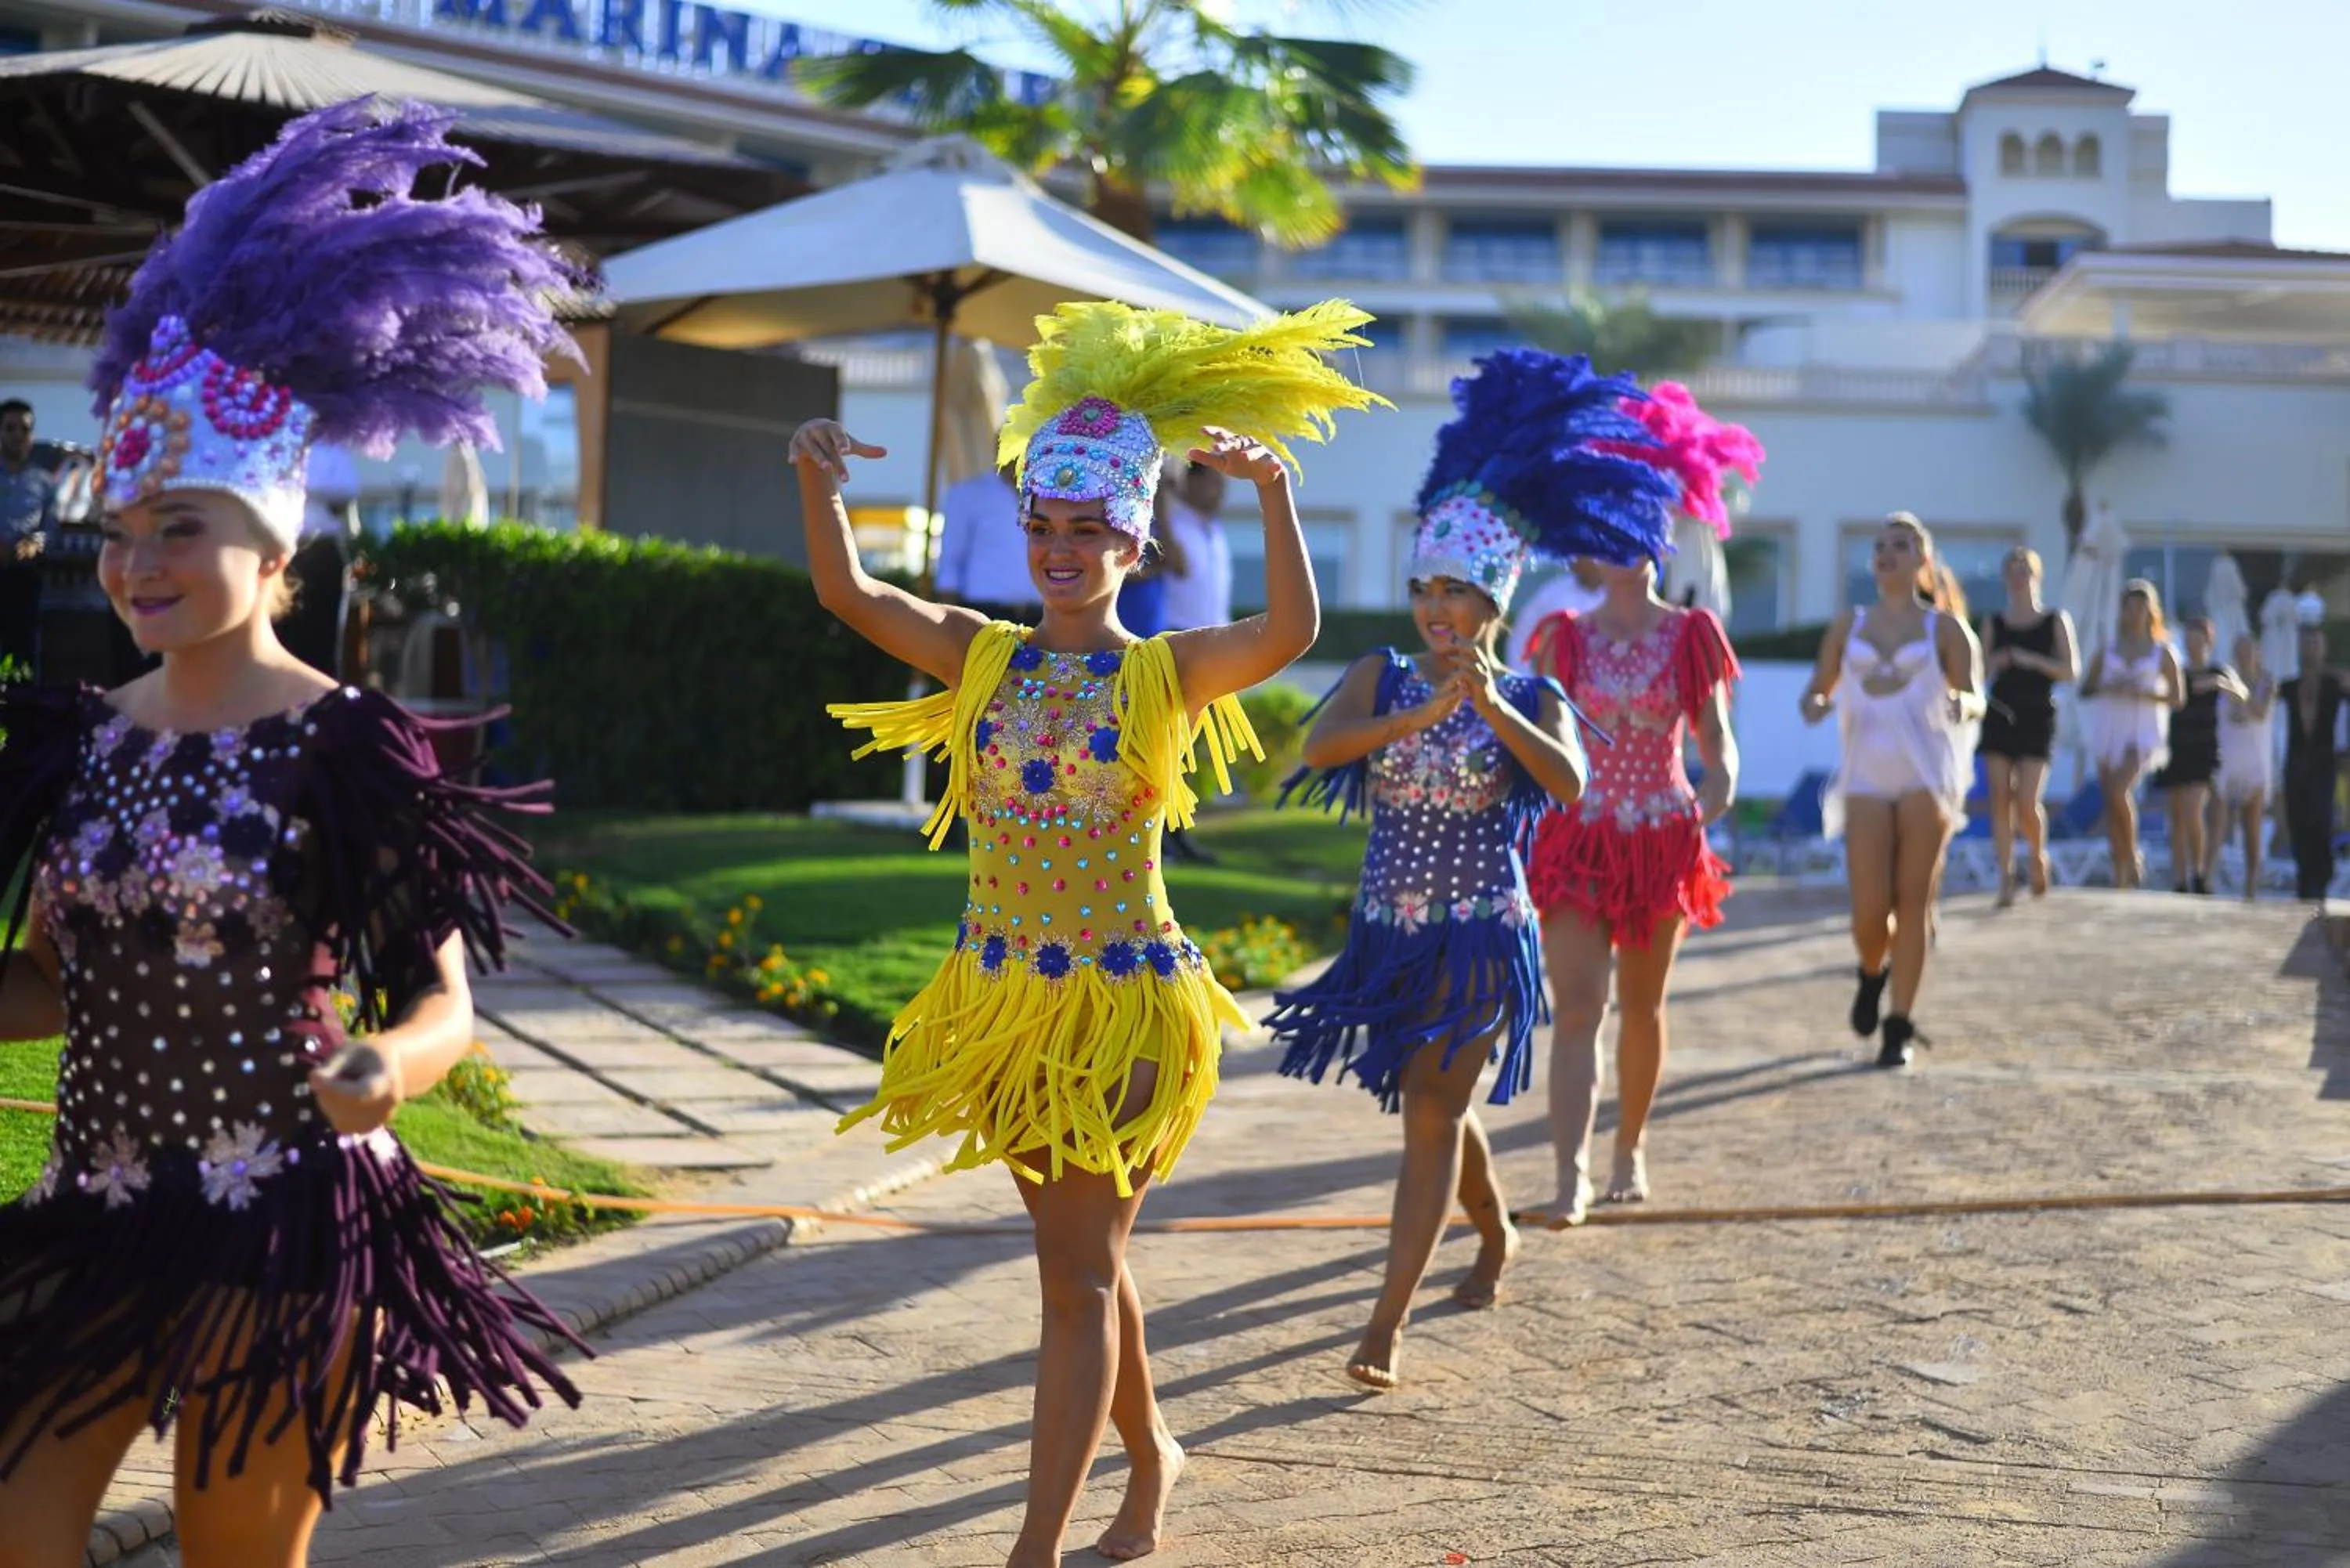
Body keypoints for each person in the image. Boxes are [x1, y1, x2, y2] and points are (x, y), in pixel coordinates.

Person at [0, 101, 584, 1567]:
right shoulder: (82, 735)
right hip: (99, 1204)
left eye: (181, 529)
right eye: (122, 530)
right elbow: (50, 989)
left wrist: (388, 1062)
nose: (139, 564)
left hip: (286, 1220)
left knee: (233, 1553)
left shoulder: (346, 744)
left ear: (276, 550)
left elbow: (440, 996)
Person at [800, 298, 1381, 1567]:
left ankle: (1034, 1551)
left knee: (1073, 1277)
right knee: (1085, 1262)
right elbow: (847, 589)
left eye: (1092, 531)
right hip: (1001, 1004)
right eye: (1046, 528)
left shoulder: (1163, 674)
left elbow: (1290, 635)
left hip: (1124, 1009)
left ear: (1136, 539)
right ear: (1027, 533)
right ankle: (1153, 1454)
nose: (1063, 550)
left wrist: (1275, 492)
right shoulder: (981, 656)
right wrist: (815, 472)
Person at [1267, 349, 1668, 1389]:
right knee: (1438, 1106)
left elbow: (1573, 783)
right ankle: (1494, 1236)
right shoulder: (1380, 672)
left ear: (1493, 601)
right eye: (1425, 589)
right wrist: (1420, 713)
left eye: (1458, 592)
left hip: (1484, 934)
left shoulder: (1529, 692)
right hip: (1391, 939)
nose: (1437, 609)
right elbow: (1319, 751)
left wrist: (1486, 708)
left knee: (1436, 1114)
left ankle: (1382, 1327)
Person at [1524, 379, 1759, 1220]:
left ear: (1662, 536)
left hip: (1662, 833)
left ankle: (1629, 1149)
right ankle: (1568, 1176)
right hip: (1580, 836)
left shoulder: (1693, 634)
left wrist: (1720, 775)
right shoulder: (1565, 639)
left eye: (1640, 522)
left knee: (1643, 1007)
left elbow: (1714, 730)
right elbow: (1548, 734)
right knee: (1579, 1007)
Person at [1800, 513, 1984, 1068]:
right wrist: (1816, 706)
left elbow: (1974, 695)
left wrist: (1963, 704)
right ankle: (1870, 972)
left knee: (1913, 902)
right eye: (1879, 546)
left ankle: (1899, 1025)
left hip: (1926, 780)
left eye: (1900, 545)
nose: (1886, 553)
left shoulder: (1946, 630)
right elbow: (1816, 691)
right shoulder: (1847, 626)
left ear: (1922, 560)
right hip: (1864, 779)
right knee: (1869, 908)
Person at [1976, 547, 2077, 905]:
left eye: (2025, 571)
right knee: (1999, 798)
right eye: (2013, 571)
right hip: (2001, 712)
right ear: (2005, 578)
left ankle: (2036, 854)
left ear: (2037, 576)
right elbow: (1978, 674)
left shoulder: (2055, 620)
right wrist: (1998, 660)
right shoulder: (1994, 623)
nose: (2019, 577)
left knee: (2026, 800)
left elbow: (2070, 670)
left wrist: (2031, 660)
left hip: (2038, 715)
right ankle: (2005, 876)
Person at [2080, 580, 2184, 891]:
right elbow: (2085, 688)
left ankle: (2132, 854)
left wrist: (2146, 693)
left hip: (2143, 730)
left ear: (2151, 612)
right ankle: (2120, 867)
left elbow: (2178, 698)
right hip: (2110, 727)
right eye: (2130, 606)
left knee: (2118, 789)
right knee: (2111, 799)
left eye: (2142, 607)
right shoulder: (2108, 648)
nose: (2136, 612)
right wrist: (2108, 687)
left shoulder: (2162, 652)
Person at [2156, 616, 2243, 894]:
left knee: (2194, 811)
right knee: (2177, 816)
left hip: (2204, 749)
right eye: (2190, 636)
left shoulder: (2217, 671)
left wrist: (2219, 683)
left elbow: (2242, 694)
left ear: (2209, 640)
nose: (2194, 642)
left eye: (2199, 637)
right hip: (2175, 747)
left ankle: (2199, 871)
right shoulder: (2178, 671)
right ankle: (2180, 878)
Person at [2280, 620, 2348, 902]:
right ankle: (2305, 881)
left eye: (2316, 644)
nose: (2311, 649)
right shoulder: (2290, 686)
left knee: (2320, 818)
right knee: (2298, 820)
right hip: (2296, 760)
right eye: (2307, 643)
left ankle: (2319, 881)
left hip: (2323, 760)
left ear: (2324, 649)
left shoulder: (2334, 684)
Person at [933, 459, 1039, 623]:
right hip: (984, 612)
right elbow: (950, 562)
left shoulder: (1052, 495)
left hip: (1041, 614)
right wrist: (948, 621)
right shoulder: (968, 494)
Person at [1, 397, 59, 672]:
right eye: (10, 428)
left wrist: (32, 545)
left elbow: (50, 529)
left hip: (24, 574)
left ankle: (19, 708)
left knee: (21, 651)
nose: (17, 436)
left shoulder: (44, 482)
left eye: (24, 429)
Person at [1504, 557, 1603, 670]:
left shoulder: (1619, 597)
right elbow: (1521, 637)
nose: (1574, 559)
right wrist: (1527, 680)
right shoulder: (1555, 590)